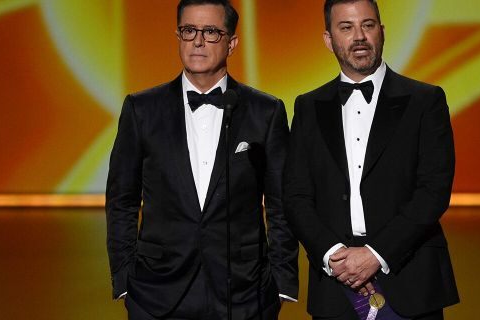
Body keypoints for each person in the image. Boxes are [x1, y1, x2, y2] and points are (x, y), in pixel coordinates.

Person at [106, 1, 298, 319]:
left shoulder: (265, 111)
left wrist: (282, 281)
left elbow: (281, 203)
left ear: (232, 43)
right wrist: (125, 279)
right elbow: (122, 199)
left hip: (244, 292)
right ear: (179, 36)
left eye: (210, 31)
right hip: (157, 290)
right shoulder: (141, 109)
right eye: (189, 30)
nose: (197, 40)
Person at [283, 0, 459, 319]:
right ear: (329, 39)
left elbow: (433, 191)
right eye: (346, 27)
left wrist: (376, 254)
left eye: (368, 25)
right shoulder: (308, 107)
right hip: (336, 284)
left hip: (410, 280)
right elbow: (296, 196)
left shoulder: (426, 100)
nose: (359, 36)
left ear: (382, 31)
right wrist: (333, 254)